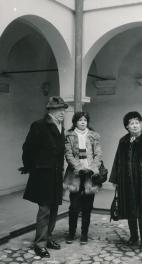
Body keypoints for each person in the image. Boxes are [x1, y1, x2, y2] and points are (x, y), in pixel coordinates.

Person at [20, 96, 68, 258]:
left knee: (54, 207)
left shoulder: (61, 126)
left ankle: (47, 238)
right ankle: (39, 244)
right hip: (43, 174)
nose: (62, 112)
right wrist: (30, 167)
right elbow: (28, 148)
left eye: (63, 109)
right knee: (45, 209)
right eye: (58, 109)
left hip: (56, 174)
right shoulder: (39, 126)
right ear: (50, 111)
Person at [109, 111, 142, 251]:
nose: (135, 125)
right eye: (131, 123)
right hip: (125, 181)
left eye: (137, 122)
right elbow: (117, 160)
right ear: (127, 126)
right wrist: (115, 178)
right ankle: (133, 237)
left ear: (141, 124)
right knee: (129, 209)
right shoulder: (123, 141)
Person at [64, 111, 102, 245]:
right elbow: (68, 154)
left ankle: (84, 233)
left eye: (85, 120)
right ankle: (71, 233)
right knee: (74, 206)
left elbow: (98, 154)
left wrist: (92, 168)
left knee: (87, 206)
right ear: (75, 121)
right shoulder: (69, 135)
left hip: (90, 175)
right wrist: (78, 167)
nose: (82, 122)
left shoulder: (94, 136)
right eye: (80, 120)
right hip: (75, 175)